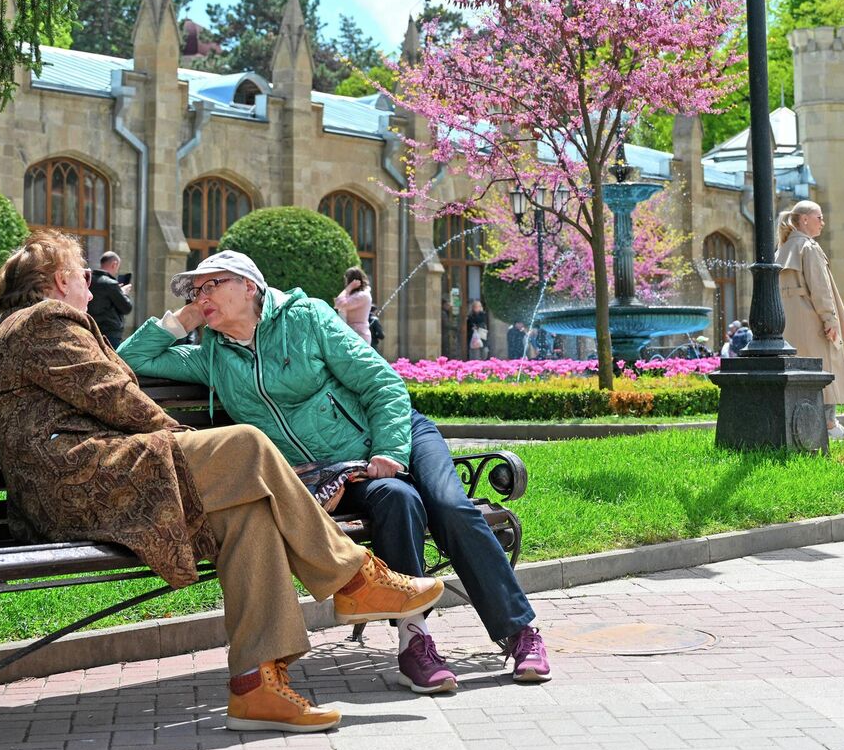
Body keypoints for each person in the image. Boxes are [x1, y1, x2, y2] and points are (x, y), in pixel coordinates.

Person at [0, 233, 442, 734]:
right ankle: (354, 580)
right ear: (61, 281)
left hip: (93, 483)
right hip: (80, 485)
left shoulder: (30, 327)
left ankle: (255, 686)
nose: (92, 288)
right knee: (243, 445)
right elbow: (116, 395)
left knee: (250, 515)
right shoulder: (45, 321)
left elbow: (111, 388)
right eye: (85, 276)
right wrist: (188, 442)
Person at [118, 251, 551, 695]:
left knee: (449, 505)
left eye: (212, 285)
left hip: (393, 433)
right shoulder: (210, 355)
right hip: (331, 470)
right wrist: (185, 317)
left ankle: (520, 633)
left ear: (249, 286)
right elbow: (126, 362)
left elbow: (381, 384)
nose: (201, 295)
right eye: (196, 289)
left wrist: (389, 450)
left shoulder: (306, 319)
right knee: (399, 501)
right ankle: (414, 643)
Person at [774, 200, 844, 428]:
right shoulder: (809, 247)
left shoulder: (782, 250)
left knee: (800, 372)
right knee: (827, 368)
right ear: (804, 219)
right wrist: (830, 318)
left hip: (789, 323)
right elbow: (820, 288)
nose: (823, 223)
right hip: (813, 319)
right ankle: (829, 424)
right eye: (819, 217)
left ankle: (807, 423)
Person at [88, 251, 134, 347]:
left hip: (90, 331)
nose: (117, 271)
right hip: (109, 335)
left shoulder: (89, 281)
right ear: (114, 264)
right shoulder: (111, 284)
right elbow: (126, 307)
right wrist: (124, 293)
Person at [334, 267, 374, 346]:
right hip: (353, 334)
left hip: (359, 335)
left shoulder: (362, 295)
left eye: (346, 279)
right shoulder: (356, 295)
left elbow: (338, 304)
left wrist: (348, 288)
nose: (345, 282)